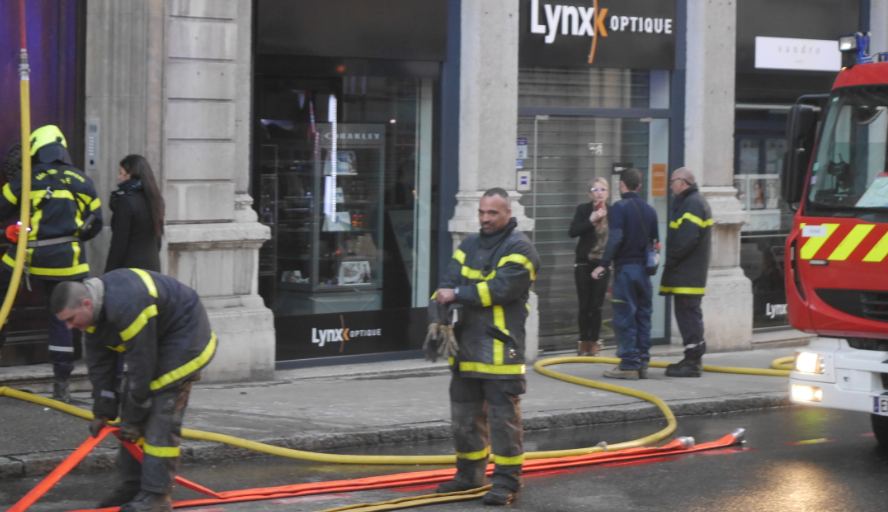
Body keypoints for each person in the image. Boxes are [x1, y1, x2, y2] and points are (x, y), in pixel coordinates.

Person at [51, 269, 217, 512]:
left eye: (70, 319)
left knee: (161, 414)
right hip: (153, 345)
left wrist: (133, 414)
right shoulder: (93, 315)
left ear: (87, 304)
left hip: (184, 337)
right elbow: (101, 367)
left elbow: (142, 362)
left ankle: (157, 496)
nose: (69, 327)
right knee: (132, 418)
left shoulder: (126, 303)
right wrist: (104, 410)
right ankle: (132, 487)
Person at [433, 188, 540, 506]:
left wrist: (456, 294)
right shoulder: (468, 245)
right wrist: (436, 319)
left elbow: (500, 289)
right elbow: (445, 283)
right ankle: (469, 476)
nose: (484, 218)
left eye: (492, 213)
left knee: (503, 420)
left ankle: (507, 482)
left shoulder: (521, 249)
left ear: (508, 213)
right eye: (481, 212)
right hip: (466, 349)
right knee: (464, 417)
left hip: (501, 350)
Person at [0, 127, 103, 401]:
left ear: (36, 150)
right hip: (70, 263)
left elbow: (1, 207)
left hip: (28, 256)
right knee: (63, 318)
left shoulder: (27, 177)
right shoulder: (83, 180)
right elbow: (97, 224)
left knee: (2, 304)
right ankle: (61, 386)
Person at [592, 168, 658, 380]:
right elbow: (656, 244)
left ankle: (629, 365)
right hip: (644, 273)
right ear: (639, 186)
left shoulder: (619, 208)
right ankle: (643, 362)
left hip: (626, 271)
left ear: (621, 185)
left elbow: (615, 238)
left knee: (625, 316)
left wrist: (603, 264)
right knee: (643, 315)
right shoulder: (650, 210)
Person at [659, 167, 712, 378]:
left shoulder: (692, 204)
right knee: (687, 314)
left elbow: (686, 240)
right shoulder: (691, 202)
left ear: (683, 182)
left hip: (687, 274)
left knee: (689, 315)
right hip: (687, 273)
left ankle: (692, 360)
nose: (670, 186)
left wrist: (671, 259)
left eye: (672, 181)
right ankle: (691, 356)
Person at [569, 177, 610, 357]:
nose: (599, 193)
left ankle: (594, 341)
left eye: (602, 189)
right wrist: (591, 220)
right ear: (590, 193)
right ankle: (583, 341)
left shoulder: (614, 212)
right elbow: (572, 232)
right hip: (584, 263)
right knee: (584, 305)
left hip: (602, 264)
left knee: (597, 305)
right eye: (595, 190)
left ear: (607, 192)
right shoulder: (583, 210)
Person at [105, 155, 164, 273]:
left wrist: (108, 274)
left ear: (129, 175)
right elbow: (158, 240)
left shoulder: (126, 201)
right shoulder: (155, 199)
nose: (119, 177)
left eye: (121, 173)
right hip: (153, 269)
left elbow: (119, 244)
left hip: (131, 271)